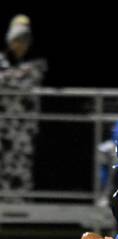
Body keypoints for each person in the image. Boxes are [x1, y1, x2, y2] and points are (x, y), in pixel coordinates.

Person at [0, 14, 46, 192]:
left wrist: (12, 77)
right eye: (18, 40)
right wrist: (17, 76)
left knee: (21, 171)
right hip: (4, 127)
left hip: (23, 129)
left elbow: (30, 80)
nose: (21, 44)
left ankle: (20, 205)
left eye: (25, 40)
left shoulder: (36, 63)